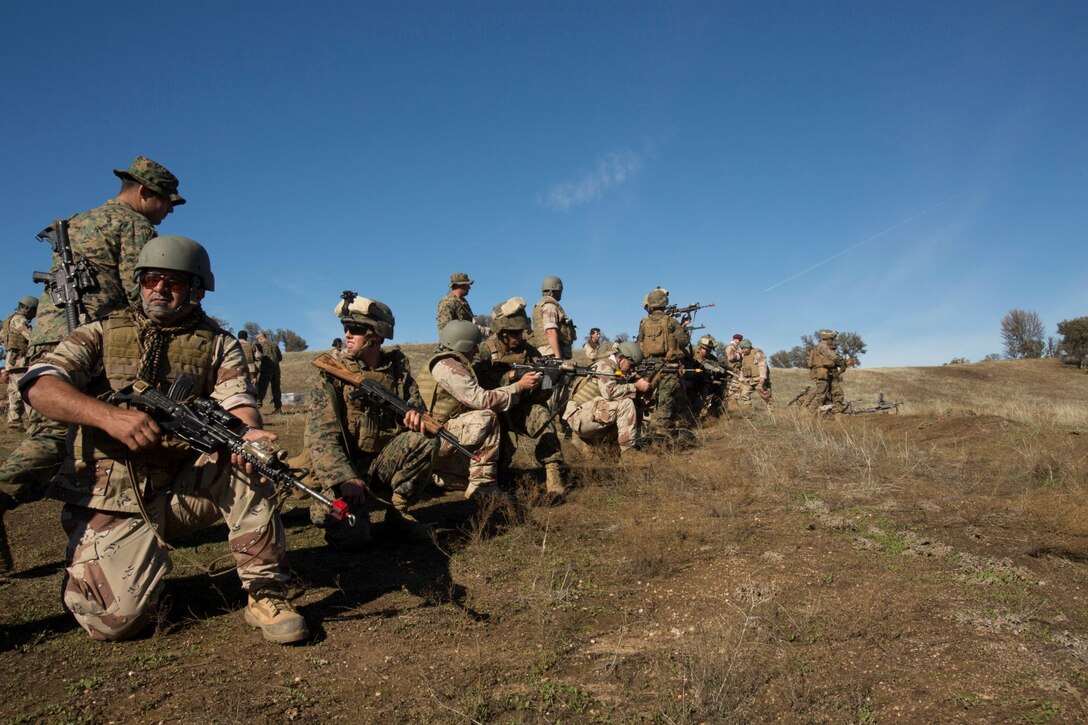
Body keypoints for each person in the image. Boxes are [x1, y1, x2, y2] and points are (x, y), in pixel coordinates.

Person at [18, 236, 307, 644]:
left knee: (248, 461)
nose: (158, 289)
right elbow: (39, 384)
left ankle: (266, 592)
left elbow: (238, 402)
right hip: (112, 495)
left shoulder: (219, 344)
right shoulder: (100, 332)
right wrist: (109, 417)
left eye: (172, 282)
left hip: (179, 488)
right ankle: (93, 571)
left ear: (197, 289)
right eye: (150, 280)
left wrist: (250, 434)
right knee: (114, 624)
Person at [0, 155, 185, 577]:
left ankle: (104, 522)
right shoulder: (134, 225)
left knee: (66, 435)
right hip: (89, 340)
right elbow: (140, 292)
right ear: (145, 192)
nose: (168, 211)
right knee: (59, 439)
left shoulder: (79, 221)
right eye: (166, 201)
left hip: (50, 342)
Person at [306, 293, 436, 548]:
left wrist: (414, 417)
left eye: (355, 329)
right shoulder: (333, 375)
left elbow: (418, 410)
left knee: (425, 439)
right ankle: (338, 507)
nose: (347, 334)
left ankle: (398, 514)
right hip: (347, 472)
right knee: (351, 538)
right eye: (345, 327)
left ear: (376, 334)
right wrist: (344, 478)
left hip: (381, 466)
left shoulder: (399, 374)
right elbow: (321, 436)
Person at [427, 320, 541, 500]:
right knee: (486, 417)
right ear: (462, 345)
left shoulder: (444, 362)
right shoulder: (448, 366)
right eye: (473, 346)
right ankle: (483, 486)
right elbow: (482, 400)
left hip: (438, 435)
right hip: (436, 437)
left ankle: (440, 476)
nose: (476, 351)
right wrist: (518, 387)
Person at [476, 297, 567, 499]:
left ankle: (553, 476)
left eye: (522, 331)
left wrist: (548, 381)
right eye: (514, 333)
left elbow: (540, 397)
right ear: (502, 332)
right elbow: (478, 385)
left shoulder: (530, 352)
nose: (520, 336)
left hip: (519, 408)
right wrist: (511, 377)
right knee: (500, 464)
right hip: (492, 411)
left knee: (542, 415)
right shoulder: (484, 351)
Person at [562, 341, 651, 458]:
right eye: (631, 365)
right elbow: (609, 392)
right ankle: (629, 454)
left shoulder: (616, 369)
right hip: (580, 417)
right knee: (626, 404)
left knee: (632, 404)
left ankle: (603, 446)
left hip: (587, 415)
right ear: (621, 358)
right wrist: (635, 386)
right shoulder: (605, 365)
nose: (632, 370)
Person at [636, 288, 694, 431]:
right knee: (665, 401)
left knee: (646, 399)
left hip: (648, 367)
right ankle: (660, 433)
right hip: (667, 368)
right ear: (664, 303)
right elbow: (684, 341)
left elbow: (640, 342)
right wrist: (683, 327)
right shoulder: (671, 322)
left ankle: (644, 427)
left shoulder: (643, 323)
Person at [3, 296, 37, 429]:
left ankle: (14, 422)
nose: (34, 314)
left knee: (14, 392)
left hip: (12, 361)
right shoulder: (20, 320)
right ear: (27, 308)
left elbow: (3, 337)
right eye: (34, 311)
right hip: (20, 361)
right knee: (27, 389)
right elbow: (31, 336)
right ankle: (34, 422)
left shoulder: (9, 319)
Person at [529, 276, 576, 360]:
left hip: (548, 353)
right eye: (559, 291)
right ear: (554, 290)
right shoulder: (550, 306)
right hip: (552, 354)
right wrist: (558, 357)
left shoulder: (540, 305)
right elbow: (550, 331)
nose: (561, 293)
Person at [807, 330, 852, 413]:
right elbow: (833, 357)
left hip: (827, 374)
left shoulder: (822, 347)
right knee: (821, 395)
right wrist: (844, 361)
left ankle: (836, 411)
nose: (832, 341)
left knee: (836, 393)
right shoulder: (823, 347)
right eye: (832, 339)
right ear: (828, 339)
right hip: (822, 374)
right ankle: (811, 413)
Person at [689, 334, 729, 420]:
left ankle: (713, 413)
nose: (707, 351)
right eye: (705, 349)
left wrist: (723, 372)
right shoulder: (693, 353)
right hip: (692, 382)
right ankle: (692, 416)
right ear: (700, 346)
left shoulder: (712, 358)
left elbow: (717, 368)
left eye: (709, 350)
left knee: (721, 387)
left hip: (705, 382)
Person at [735, 339, 774, 411]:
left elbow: (762, 365)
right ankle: (748, 410)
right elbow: (743, 368)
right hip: (749, 380)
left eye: (744, 348)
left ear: (749, 347)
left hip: (759, 379)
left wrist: (762, 377)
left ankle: (772, 411)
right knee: (744, 394)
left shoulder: (758, 353)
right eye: (742, 349)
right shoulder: (744, 355)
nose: (743, 350)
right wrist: (741, 379)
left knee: (766, 397)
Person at [256, 331, 283, 413]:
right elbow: (280, 357)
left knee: (262, 387)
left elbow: (258, 357)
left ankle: (257, 407)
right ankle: (278, 408)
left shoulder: (261, 345)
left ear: (260, 338)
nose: (258, 341)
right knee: (276, 388)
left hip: (266, 368)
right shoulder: (274, 344)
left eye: (258, 339)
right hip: (276, 369)